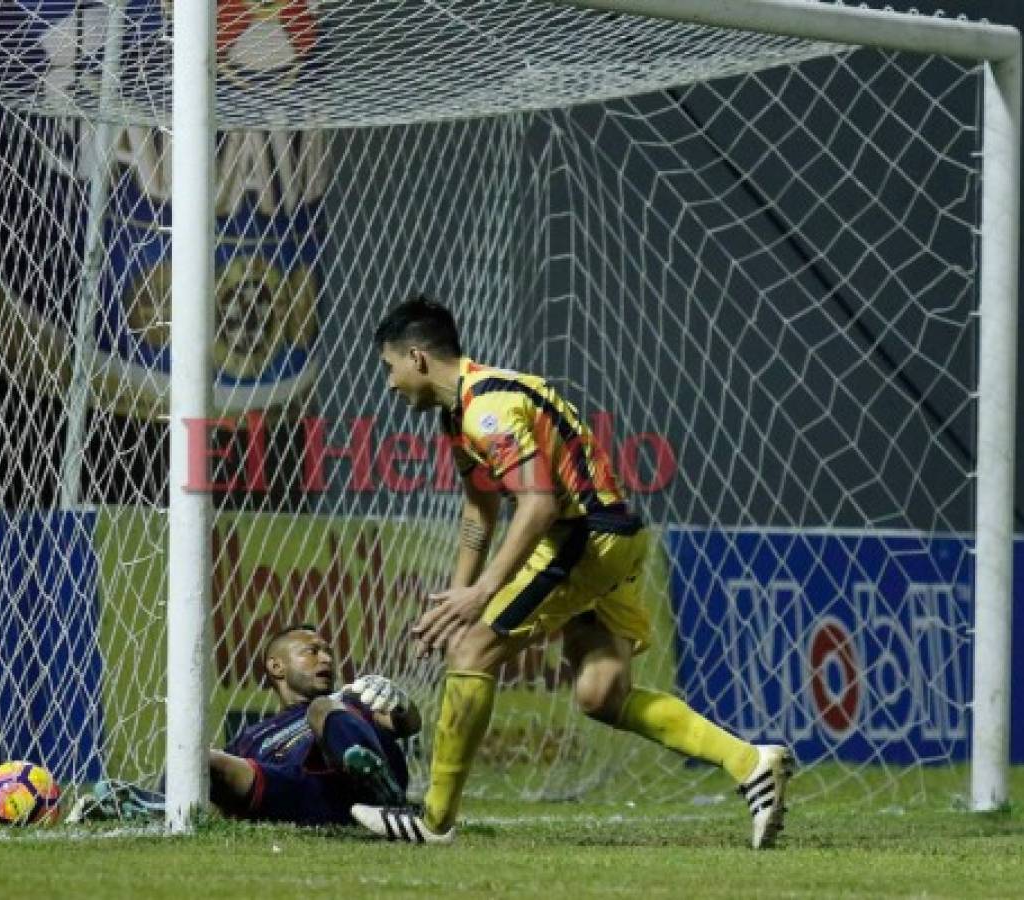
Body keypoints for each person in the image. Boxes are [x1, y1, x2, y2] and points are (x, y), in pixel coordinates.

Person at [352, 296, 792, 848]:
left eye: (389, 368)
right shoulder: (458, 412)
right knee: (599, 692)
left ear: (416, 358)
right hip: (613, 536)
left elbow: (535, 505)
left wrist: (484, 592)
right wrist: (459, 593)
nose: (390, 384)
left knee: (473, 651)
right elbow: (480, 508)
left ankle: (434, 821)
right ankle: (751, 762)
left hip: (584, 537)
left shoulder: (488, 410)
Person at [69, 624, 418, 826]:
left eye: (327, 651)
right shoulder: (251, 736)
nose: (326, 657)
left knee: (323, 707)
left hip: (349, 785)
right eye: (311, 651)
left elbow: (406, 724)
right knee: (200, 759)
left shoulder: (350, 698)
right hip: (304, 797)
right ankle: (154, 808)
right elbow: (225, 792)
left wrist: (400, 702)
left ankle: (379, 790)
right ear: (277, 667)